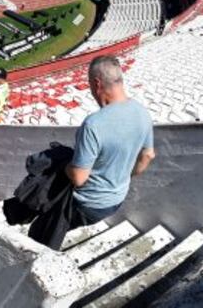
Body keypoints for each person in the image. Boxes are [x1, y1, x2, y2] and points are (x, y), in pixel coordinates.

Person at [65, 55, 155, 232]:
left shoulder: (93, 124)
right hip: (117, 200)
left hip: (87, 205)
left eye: (90, 84)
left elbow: (79, 178)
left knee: (41, 226)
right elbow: (148, 155)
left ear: (97, 84)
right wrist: (122, 176)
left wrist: (65, 167)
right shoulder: (142, 112)